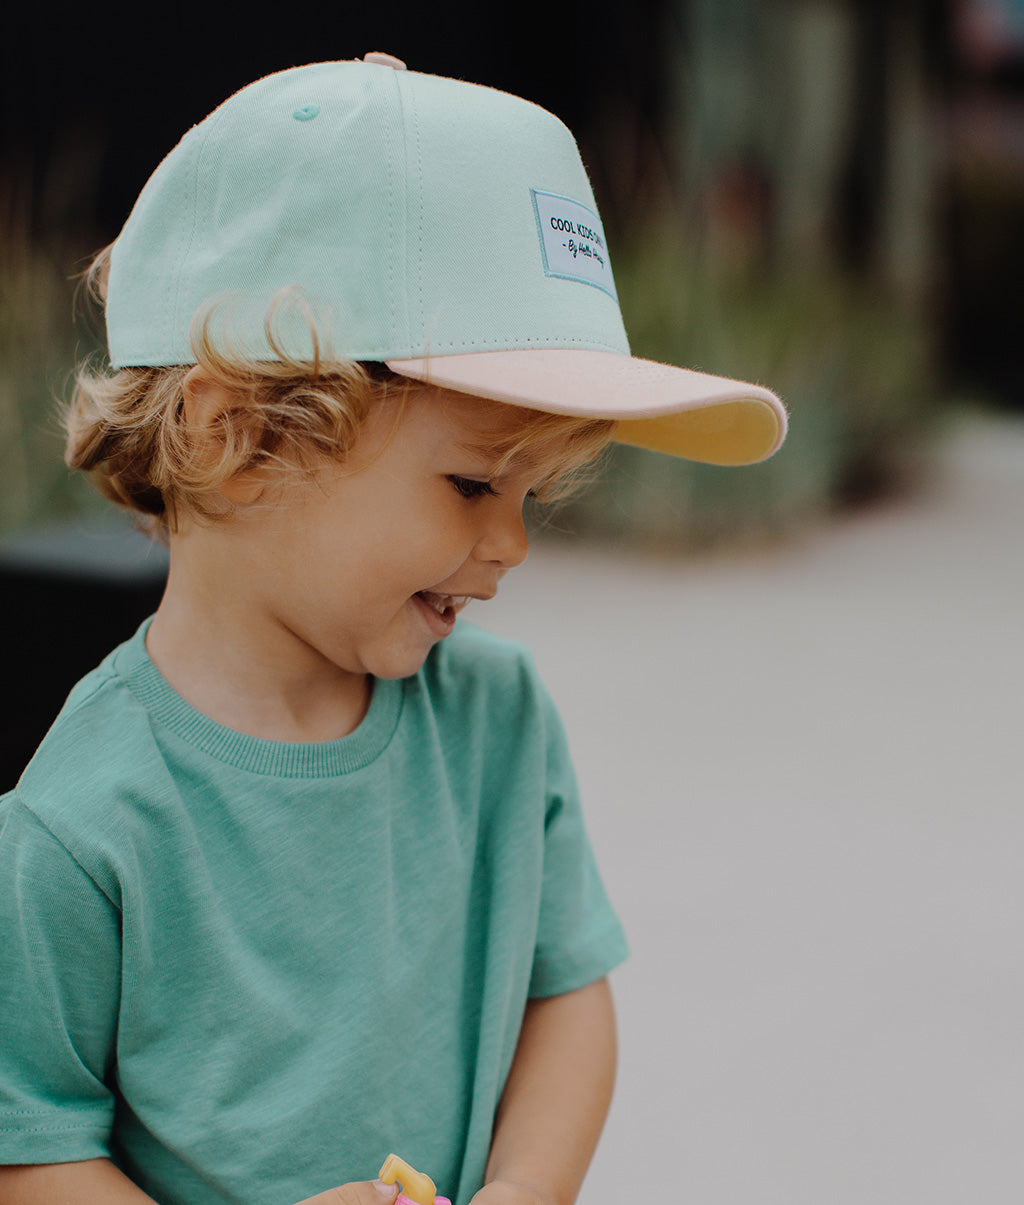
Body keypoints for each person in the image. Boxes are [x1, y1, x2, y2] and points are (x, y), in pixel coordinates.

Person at [0, 53, 786, 1205]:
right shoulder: (82, 819)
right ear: (239, 435)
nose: (513, 543)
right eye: (475, 484)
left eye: (534, 495)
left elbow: (565, 992)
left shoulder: (500, 721)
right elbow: (32, 1146)